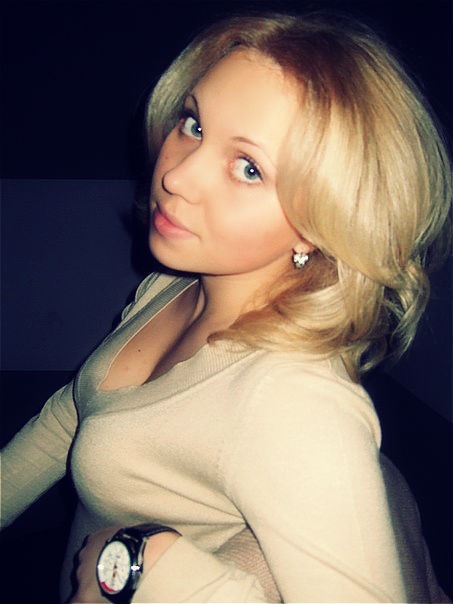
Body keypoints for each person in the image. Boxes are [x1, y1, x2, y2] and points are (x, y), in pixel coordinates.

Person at [1, 10, 451, 604]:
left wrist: (155, 576)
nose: (177, 176)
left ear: (323, 221)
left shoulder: (291, 398)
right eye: (193, 124)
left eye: (248, 168)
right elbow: (77, 412)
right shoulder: (174, 285)